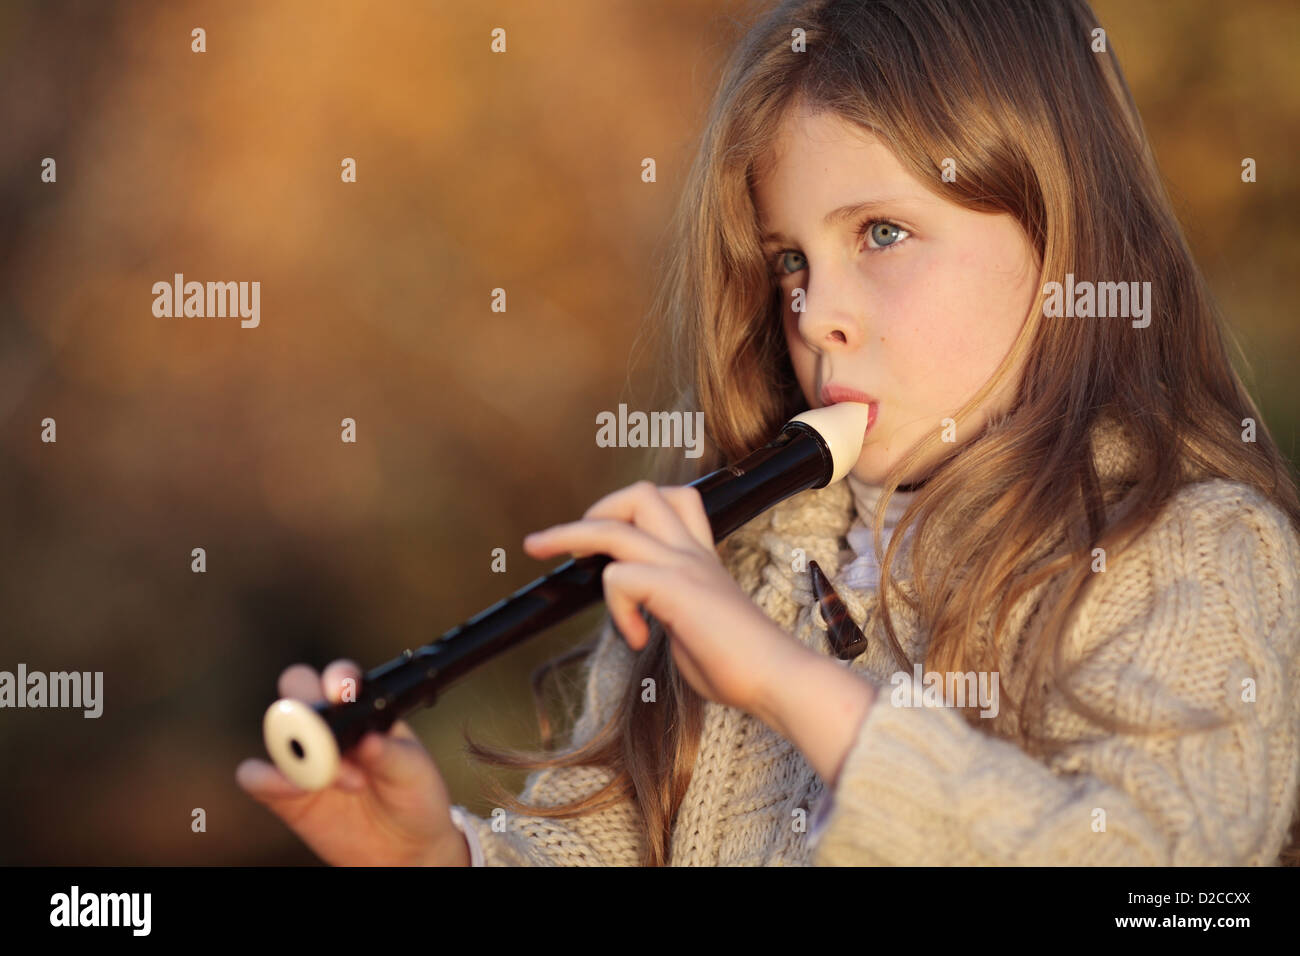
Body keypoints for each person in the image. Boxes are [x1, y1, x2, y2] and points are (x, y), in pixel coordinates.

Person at [236, 0, 1300, 866]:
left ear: (1066, 244)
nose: (814, 312)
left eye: (881, 233)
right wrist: (436, 860)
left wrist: (791, 686)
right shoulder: (733, 568)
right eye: (790, 260)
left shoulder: (1199, 552)